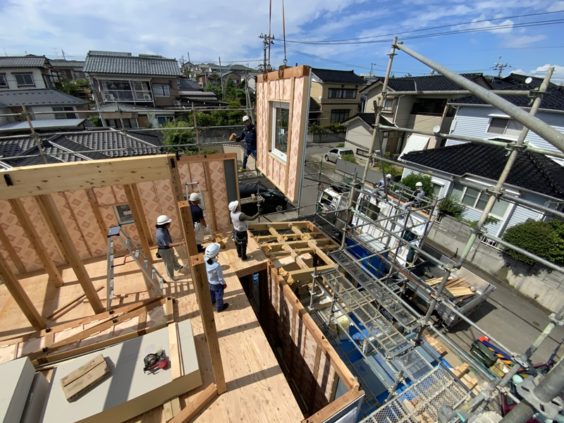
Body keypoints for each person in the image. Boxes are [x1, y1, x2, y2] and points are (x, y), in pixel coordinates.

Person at [155, 214, 185, 282]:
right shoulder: (161, 234)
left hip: (167, 249)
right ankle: (171, 277)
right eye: (169, 223)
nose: (170, 224)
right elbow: (168, 245)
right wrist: (181, 243)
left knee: (174, 258)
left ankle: (178, 267)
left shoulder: (164, 229)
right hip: (165, 250)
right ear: (165, 224)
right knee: (169, 264)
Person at [205, 243, 228, 312]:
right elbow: (220, 278)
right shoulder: (217, 265)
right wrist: (223, 284)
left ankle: (212, 302)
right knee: (219, 296)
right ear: (216, 254)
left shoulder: (205, 260)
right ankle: (219, 308)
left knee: (211, 293)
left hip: (210, 282)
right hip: (217, 284)